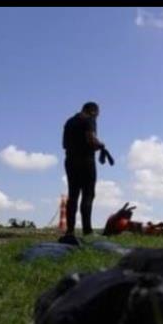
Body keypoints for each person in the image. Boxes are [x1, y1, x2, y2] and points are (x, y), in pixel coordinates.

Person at [62, 101, 106, 237]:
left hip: (70, 161)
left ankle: (70, 230)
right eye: (97, 115)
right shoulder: (89, 120)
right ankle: (87, 230)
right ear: (93, 111)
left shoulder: (69, 122)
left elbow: (64, 144)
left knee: (73, 195)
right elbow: (91, 140)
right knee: (88, 194)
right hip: (86, 161)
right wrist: (101, 145)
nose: (97, 118)